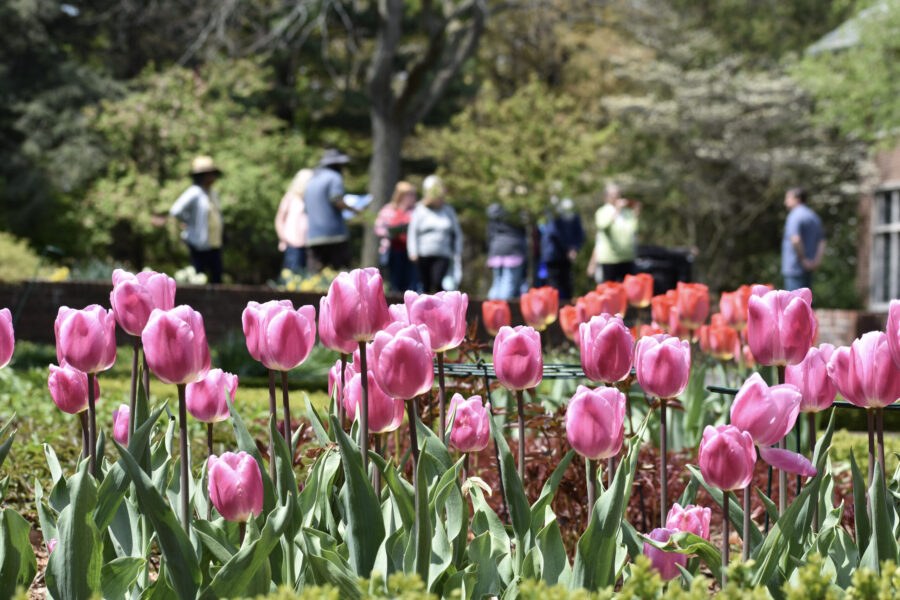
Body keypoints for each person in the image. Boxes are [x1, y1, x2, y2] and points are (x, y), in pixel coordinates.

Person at [169, 155, 225, 284]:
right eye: (209, 174)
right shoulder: (194, 192)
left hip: (214, 243)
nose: (212, 177)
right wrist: (189, 222)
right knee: (199, 277)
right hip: (199, 243)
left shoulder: (212, 193)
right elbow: (176, 210)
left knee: (217, 276)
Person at [304, 149, 359, 271]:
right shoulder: (334, 177)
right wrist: (353, 209)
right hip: (334, 235)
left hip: (313, 235)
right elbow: (337, 201)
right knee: (340, 271)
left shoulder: (311, 180)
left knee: (316, 273)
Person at [407, 175, 462, 293]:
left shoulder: (448, 210)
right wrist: (413, 252)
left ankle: (441, 308)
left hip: (443, 253)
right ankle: (424, 310)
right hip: (423, 254)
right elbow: (412, 232)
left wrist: (457, 251)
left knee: (437, 282)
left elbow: (456, 232)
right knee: (425, 284)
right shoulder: (419, 209)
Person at [587, 183, 639, 283]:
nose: (617, 197)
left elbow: (634, 229)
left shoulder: (628, 213)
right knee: (610, 289)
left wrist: (636, 212)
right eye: (614, 195)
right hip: (609, 259)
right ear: (606, 197)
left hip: (627, 257)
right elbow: (603, 226)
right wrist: (616, 211)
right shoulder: (602, 212)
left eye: (619, 194)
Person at [375, 181, 419, 292]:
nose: (413, 197)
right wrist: (391, 232)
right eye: (410, 194)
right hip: (393, 250)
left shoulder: (416, 210)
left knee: (410, 282)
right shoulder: (388, 209)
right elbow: (378, 227)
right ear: (401, 195)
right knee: (395, 281)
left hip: (411, 252)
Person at [541, 197, 584, 300]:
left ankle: (568, 313)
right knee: (554, 286)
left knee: (567, 285)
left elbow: (580, 233)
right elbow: (554, 232)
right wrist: (568, 249)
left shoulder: (572, 209)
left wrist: (574, 248)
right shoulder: (551, 210)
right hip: (553, 255)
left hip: (566, 256)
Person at [782, 187, 825, 291]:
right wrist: (816, 261)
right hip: (810, 266)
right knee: (807, 302)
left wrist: (803, 259)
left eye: (788, 198)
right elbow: (822, 241)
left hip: (795, 267)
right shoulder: (814, 216)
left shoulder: (794, 216)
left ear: (797, 200)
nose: (785, 202)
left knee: (793, 303)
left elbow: (795, 239)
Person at [274, 168, 314, 275]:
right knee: (291, 275)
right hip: (293, 243)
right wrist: (284, 238)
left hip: (308, 243)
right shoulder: (290, 197)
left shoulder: (310, 199)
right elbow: (279, 219)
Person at [486, 203, 527, 300]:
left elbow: (489, 236)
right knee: (509, 283)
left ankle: (490, 310)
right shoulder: (517, 214)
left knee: (497, 282)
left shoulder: (493, 215)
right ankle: (500, 311)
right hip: (514, 251)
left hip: (496, 250)